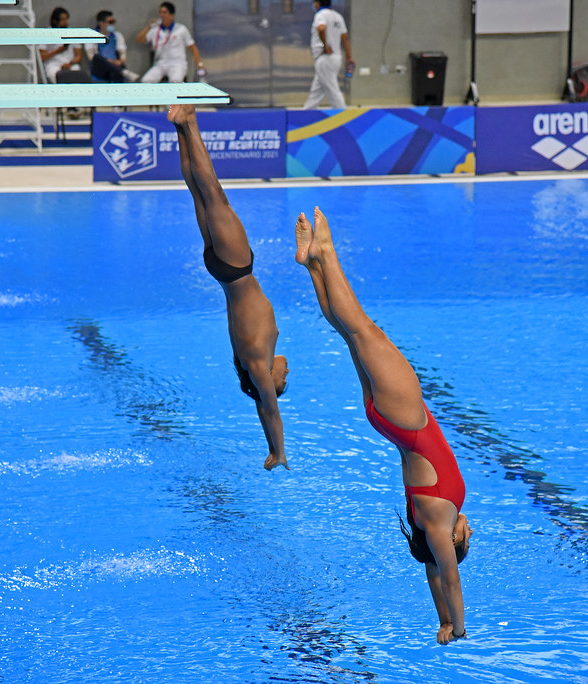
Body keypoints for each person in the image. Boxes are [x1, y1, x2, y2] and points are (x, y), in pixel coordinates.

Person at [294, 207, 472, 644]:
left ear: (454, 539)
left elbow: (448, 579)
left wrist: (460, 627)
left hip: (406, 418)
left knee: (361, 327)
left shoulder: (438, 522)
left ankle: (326, 253)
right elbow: (434, 576)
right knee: (348, 332)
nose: (471, 529)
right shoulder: (427, 524)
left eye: (467, 538)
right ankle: (312, 266)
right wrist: (442, 622)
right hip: (389, 421)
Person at [168, 104, 289, 471]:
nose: (287, 373)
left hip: (236, 267)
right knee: (198, 192)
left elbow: (269, 411)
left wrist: (277, 451)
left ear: (271, 382)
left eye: (283, 382)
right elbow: (263, 402)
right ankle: (180, 127)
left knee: (213, 191)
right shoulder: (253, 360)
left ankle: (189, 121)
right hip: (222, 271)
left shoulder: (257, 365)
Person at [137, 2, 205, 84]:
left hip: (177, 63)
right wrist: (148, 27)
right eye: (160, 12)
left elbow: (192, 47)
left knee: (175, 81)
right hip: (160, 63)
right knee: (146, 81)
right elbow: (140, 40)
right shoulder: (156, 29)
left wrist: (199, 64)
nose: (162, 15)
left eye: (165, 13)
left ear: (172, 15)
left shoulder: (181, 29)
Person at [304, 0, 353, 109]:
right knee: (316, 91)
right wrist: (349, 58)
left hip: (325, 58)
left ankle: (343, 115)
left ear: (318, 3)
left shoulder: (320, 15)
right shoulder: (338, 17)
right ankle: (306, 113)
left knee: (333, 90)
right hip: (336, 57)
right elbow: (345, 38)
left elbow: (321, 28)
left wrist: (325, 46)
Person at [86, 10, 140, 83]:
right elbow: (91, 56)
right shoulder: (91, 36)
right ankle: (124, 72)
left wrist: (121, 61)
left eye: (113, 22)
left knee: (116, 71)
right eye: (110, 22)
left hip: (115, 65)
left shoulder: (117, 35)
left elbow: (122, 52)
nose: (112, 25)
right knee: (96, 57)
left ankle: (121, 72)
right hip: (100, 68)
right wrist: (108, 61)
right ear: (101, 23)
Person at [39, 7, 89, 84]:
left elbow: (78, 55)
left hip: (70, 64)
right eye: (62, 20)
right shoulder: (46, 33)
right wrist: (57, 51)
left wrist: (70, 63)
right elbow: (41, 56)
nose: (65, 22)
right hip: (53, 65)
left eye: (66, 19)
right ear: (55, 21)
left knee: (78, 76)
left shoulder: (72, 33)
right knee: (57, 77)